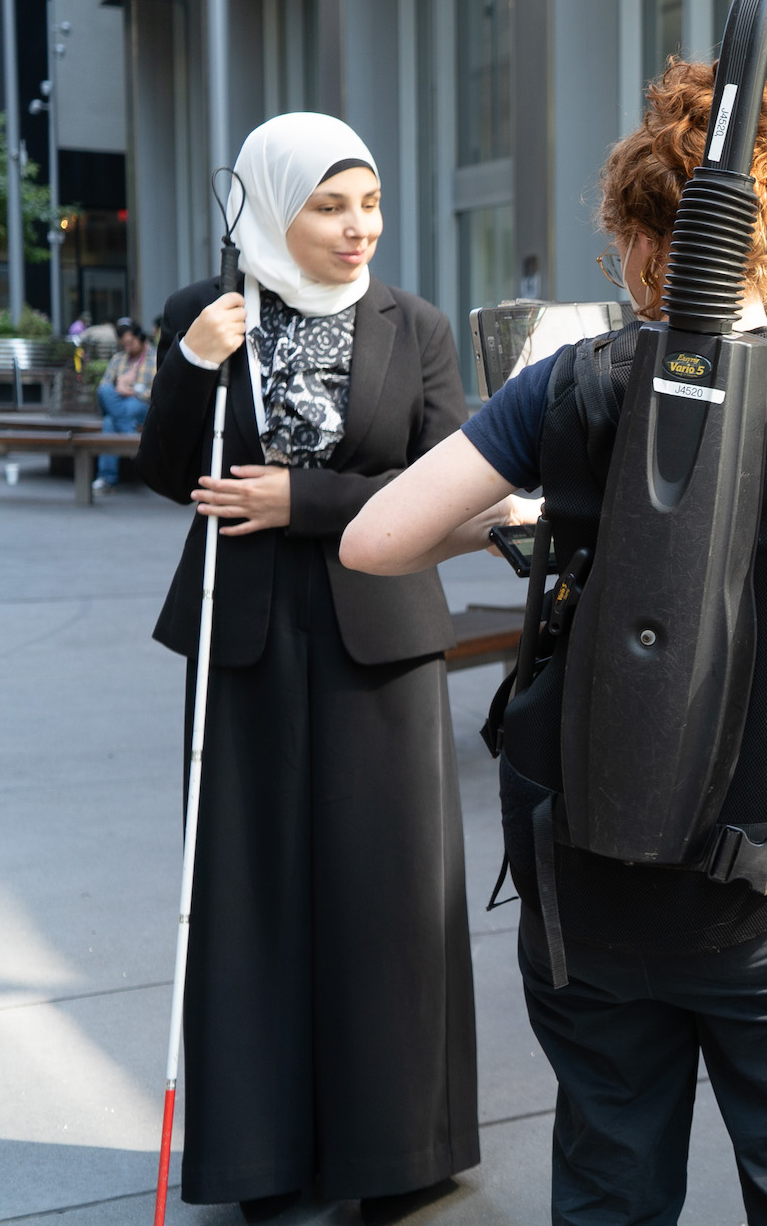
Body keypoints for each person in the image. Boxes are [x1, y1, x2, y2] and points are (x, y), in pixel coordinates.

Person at [340, 59, 767, 1226]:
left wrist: (522, 512)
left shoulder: (567, 387)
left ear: (631, 236)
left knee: (610, 1186)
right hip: (766, 894)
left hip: (586, 888)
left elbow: (375, 539)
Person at [136, 113, 486, 1214]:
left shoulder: (415, 325)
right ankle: (259, 1158)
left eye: (368, 203)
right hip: (239, 632)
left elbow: (453, 482)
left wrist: (307, 502)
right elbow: (163, 472)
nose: (356, 228)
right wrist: (191, 372)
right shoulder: (212, 315)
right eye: (329, 205)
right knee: (248, 898)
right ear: (268, 204)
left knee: (387, 894)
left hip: (378, 630)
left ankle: (396, 1158)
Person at [94, 317, 156, 490]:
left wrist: (134, 391)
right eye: (124, 344)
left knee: (110, 422)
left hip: (142, 404)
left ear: (140, 337)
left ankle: (107, 478)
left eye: (130, 343)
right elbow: (104, 387)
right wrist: (120, 385)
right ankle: (129, 435)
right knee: (105, 391)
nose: (127, 348)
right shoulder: (118, 359)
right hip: (120, 402)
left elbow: (159, 392)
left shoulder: (156, 357)